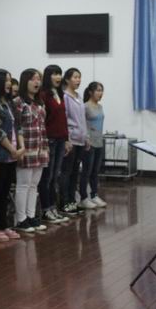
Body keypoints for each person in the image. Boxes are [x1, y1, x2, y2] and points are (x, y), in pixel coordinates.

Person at [0, 69, 24, 242]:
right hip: (0, 154)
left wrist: (21, 147)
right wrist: (12, 149)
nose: (9, 83)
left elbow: (18, 126)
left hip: (12, 154)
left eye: (10, 79)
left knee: (5, 191)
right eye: (6, 80)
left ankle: (4, 224)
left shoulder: (9, 103)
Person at [12, 69, 49, 233]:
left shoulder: (40, 102)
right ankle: (21, 219)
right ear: (25, 81)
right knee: (23, 184)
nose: (37, 82)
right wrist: (19, 148)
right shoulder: (18, 102)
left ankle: (31, 216)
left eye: (38, 79)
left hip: (40, 148)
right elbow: (16, 127)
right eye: (33, 79)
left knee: (34, 185)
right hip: (26, 148)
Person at [38, 65, 71, 222]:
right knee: (47, 176)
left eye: (59, 74)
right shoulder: (44, 95)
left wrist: (66, 138)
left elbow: (63, 119)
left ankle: (53, 208)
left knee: (54, 176)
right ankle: (46, 209)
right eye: (55, 74)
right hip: (49, 139)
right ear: (48, 76)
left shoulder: (60, 94)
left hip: (60, 139)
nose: (58, 77)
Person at [60, 68, 88, 213]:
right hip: (71, 139)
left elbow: (82, 119)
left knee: (75, 172)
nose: (78, 80)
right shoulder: (65, 97)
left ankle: (72, 201)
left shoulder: (78, 96)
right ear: (67, 79)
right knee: (67, 172)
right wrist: (67, 139)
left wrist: (86, 137)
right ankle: (64, 202)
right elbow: (64, 119)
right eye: (75, 77)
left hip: (80, 139)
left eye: (79, 77)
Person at [81, 82, 107, 209]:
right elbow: (82, 124)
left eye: (101, 90)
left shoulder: (100, 106)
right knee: (87, 171)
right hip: (89, 143)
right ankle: (83, 197)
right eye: (98, 90)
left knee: (95, 171)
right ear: (90, 92)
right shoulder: (85, 106)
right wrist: (86, 139)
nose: (100, 93)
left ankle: (94, 195)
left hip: (99, 142)